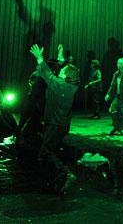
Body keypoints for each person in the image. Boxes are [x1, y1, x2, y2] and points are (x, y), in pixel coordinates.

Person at [29, 43, 78, 194]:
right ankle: (56, 182)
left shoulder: (60, 86)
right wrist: (61, 59)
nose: (60, 71)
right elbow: (59, 73)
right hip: (61, 125)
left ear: (65, 76)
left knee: (45, 153)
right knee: (52, 152)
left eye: (62, 71)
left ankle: (66, 173)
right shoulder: (70, 86)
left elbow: (48, 75)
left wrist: (39, 58)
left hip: (55, 125)